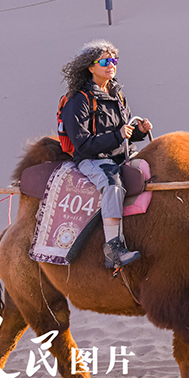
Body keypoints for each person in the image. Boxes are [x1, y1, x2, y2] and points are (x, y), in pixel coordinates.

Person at [60, 40, 152, 273]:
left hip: (121, 155)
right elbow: (82, 143)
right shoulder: (78, 100)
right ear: (91, 67)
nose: (111, 65)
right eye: (104, 61)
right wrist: (117, 136)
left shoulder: (118, 96)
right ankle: (113, 248)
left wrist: (139, 131)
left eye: (114, 60)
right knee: (113, 185)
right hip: (93, 159)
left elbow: (125, 135)